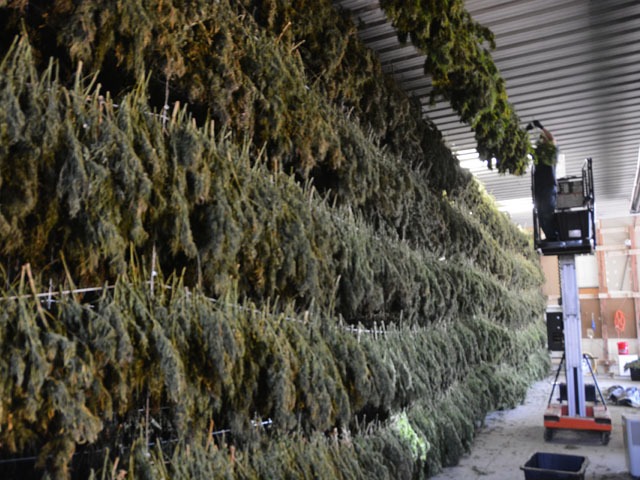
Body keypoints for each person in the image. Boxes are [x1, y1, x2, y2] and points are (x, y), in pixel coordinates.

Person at [528, 120, 559, 241]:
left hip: (547, 187)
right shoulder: (538, 153)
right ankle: (551, 236)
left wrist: (541, 127)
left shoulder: (551, 151)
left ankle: (552, 237)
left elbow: (552, 139)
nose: (542, 140)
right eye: (541, 139)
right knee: (541, 215)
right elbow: (524, 146)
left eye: (543, 138)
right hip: (540, 188)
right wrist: (526, 131)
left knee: (545, 213)